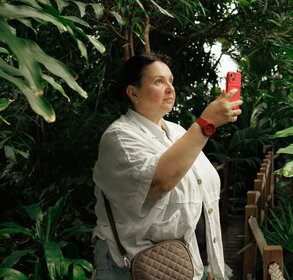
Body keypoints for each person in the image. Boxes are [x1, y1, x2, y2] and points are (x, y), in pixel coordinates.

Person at [92, 52, 241, 280]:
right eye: (159, 81)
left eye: (170, 80)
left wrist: (208, 261)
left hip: (183, 264)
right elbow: (159, 182)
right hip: (132, 266)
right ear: (133, 93)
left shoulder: (178, 132)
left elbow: (201, 194)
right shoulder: (119, 137)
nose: (170, 88)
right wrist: (206, 124)